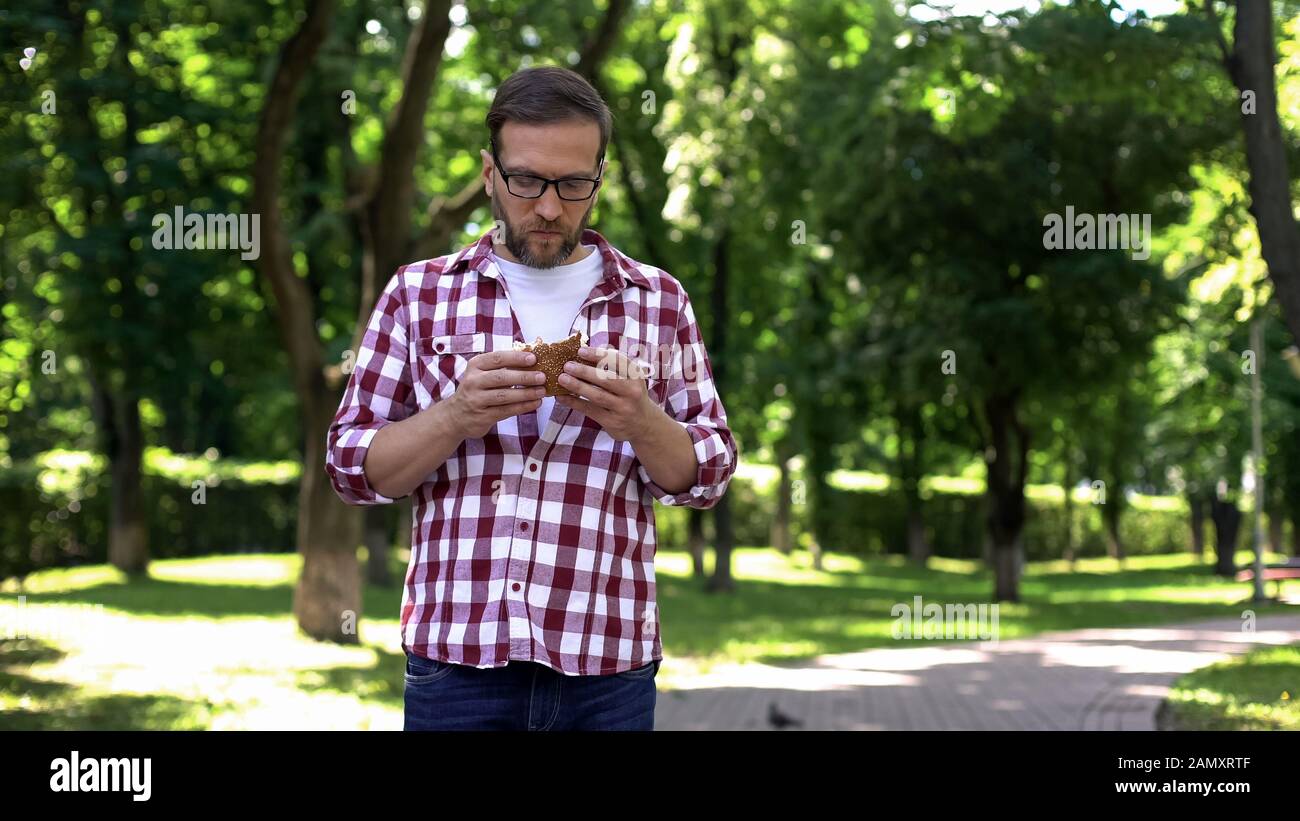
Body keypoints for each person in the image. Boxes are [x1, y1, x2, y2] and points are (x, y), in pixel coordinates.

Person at [325, 65, 737, 731]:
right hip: (456, 663)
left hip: (608, 666)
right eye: (526, 181)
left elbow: (708, 473)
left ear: (599, 177)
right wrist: (455, 415)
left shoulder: (660, 301)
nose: (549, 207)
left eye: (573, 184)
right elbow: (351, 467)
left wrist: (640, 419)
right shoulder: (418, 294)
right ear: (490, 174)